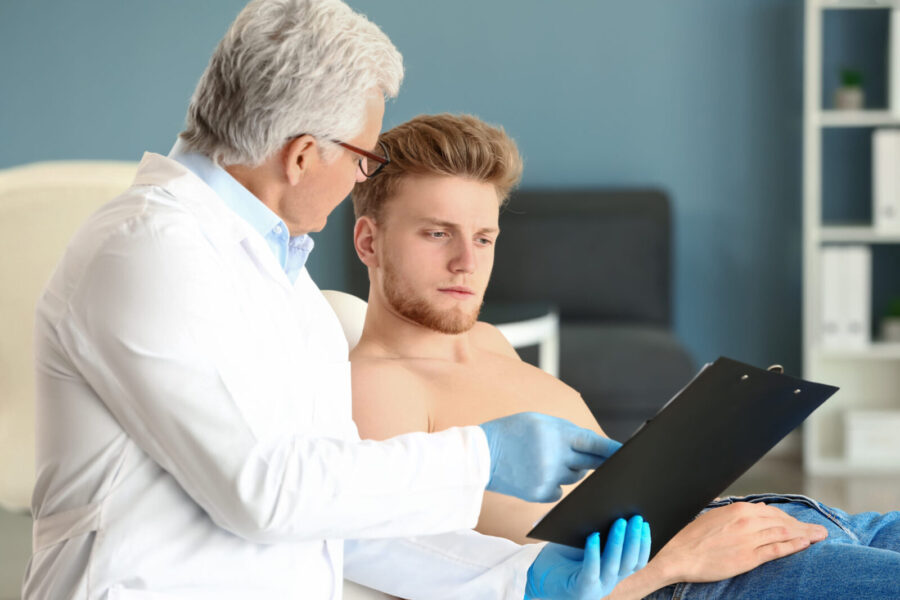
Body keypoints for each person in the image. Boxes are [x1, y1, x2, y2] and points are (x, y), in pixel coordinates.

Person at [24, 2, 650, 599]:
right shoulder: (146, 251)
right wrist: (480, 456)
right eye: (363, 157)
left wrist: (519, 579)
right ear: (300, 156)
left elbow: (337, 521)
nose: (362, 177)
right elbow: (262, 490)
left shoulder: (285, 281)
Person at [349, 112, 900, 599]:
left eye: (485, 238)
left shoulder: (487, 339)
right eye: (437, 233)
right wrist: (675, 562)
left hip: (754, 522)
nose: (466, 262)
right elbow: (419, 566)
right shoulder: (372, 386)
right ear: (369, 242)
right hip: (695, 578)